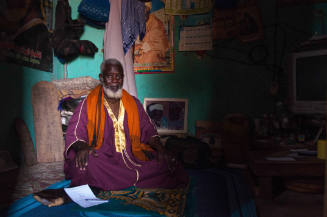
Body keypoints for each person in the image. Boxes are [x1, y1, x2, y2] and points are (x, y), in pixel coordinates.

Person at [33, 58, 188, 207]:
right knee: (87, 163)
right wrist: (83, 148)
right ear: (101, 78)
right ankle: (110, 182)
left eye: (118, 77)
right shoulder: (88, 104)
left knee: (168, 162)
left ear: (123, 78)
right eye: (109, 76)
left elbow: (148, 129)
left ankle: (100, 185)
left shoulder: (133, 103)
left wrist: (161, 150)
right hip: (103, 159)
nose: (114, 81)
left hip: (133, 156)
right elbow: (75, 133)